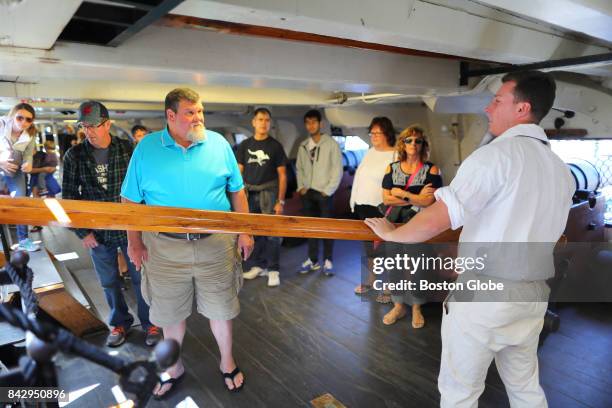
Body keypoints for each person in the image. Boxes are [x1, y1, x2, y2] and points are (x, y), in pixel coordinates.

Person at [365, 71, 574, 407]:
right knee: (525, 388)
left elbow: (441, 216)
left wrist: (395, 233)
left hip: (485, 293)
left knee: (460, 393)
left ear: (522, 109)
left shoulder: (494, 156)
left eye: (497, 100)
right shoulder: (560, 169)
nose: (488, 109)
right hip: (533, 294)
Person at [121, 88, 254, 398]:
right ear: (171, 116)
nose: (198, 118)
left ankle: (227, 361)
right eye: (190, 113)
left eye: (201, 112)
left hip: (217, 244)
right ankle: (172, 367)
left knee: (222, 308)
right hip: (165, 248)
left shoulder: (218, 144)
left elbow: (237, 191)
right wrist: (134, 242)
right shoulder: (146, 149)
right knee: (169, 314)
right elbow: (130, 201)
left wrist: (245, 231)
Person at [62, 101, 161, 348]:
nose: (89, 131)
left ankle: (150, 323)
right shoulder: (74, 156)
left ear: (108, 124)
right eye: (84, 126)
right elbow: (69, 198)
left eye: (94, 126)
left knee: (141, 277)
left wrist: (145, 226)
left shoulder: (129, 149)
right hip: (97, 231)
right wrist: (82, 232)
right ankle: (119, 322)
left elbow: (145, 189)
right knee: (108, 280)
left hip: (130, 228)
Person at [379, 125, 441, 328]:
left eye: (418, 140)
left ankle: (416, 307)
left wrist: (400, 193)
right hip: (395, 223)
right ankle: (398, 305)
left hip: (420, 224)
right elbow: (386, 200)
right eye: (409, 140)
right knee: (394, 264)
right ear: (402, 144)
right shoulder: (392, 167)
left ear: (423, 145)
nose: (413, 144)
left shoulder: (431, 169)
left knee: (418, 266)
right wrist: (416, 198)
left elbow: (430, 202)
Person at [236, 108, 287, 287]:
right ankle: (257, 265)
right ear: (253, 122)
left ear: (269, 123)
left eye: (266, 120)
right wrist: (236, 197)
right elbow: (238, 172)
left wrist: (280, 201)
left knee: (272, 234)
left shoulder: (275, 146)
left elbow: (282, 175)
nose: (263, 123)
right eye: (260, 119)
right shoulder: (244, 145)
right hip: (249, 194)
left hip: (269, 194)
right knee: (253, 232)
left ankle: (273, 269)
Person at [350, 117, 396, 297]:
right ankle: (370, 280)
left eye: (378, 133)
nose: (374, 136)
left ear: (387, 134)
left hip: (381, 207)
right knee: (368, 248)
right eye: (372, 132)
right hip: (363, 206)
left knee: (387, 248)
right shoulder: (370, 151)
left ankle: (391, 283)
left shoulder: (395, 155)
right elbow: (360, 178)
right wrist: (353, 201)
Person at [296, 109, 343, 276]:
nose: (311, 125)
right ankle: (313, 259)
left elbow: (337, 169)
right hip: (307, 192)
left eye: (314, 122)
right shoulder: (303, 145)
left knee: (327, 228)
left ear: (320, 124)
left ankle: (328, 260)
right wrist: (301, 187)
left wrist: (328, 190)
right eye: (308, 123)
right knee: (311, 228)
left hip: (324, 193)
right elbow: (299, 168)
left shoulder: (331, 144)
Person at [0, 103, 40, 252]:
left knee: (21, 202)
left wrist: (28, 163)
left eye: (28, 120)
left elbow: (28, 153)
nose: (23, 122)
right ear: (12, 115)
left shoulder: (30, 134)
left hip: (15, 171)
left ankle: (23, 239)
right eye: (20, 117)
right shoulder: (1, 124)